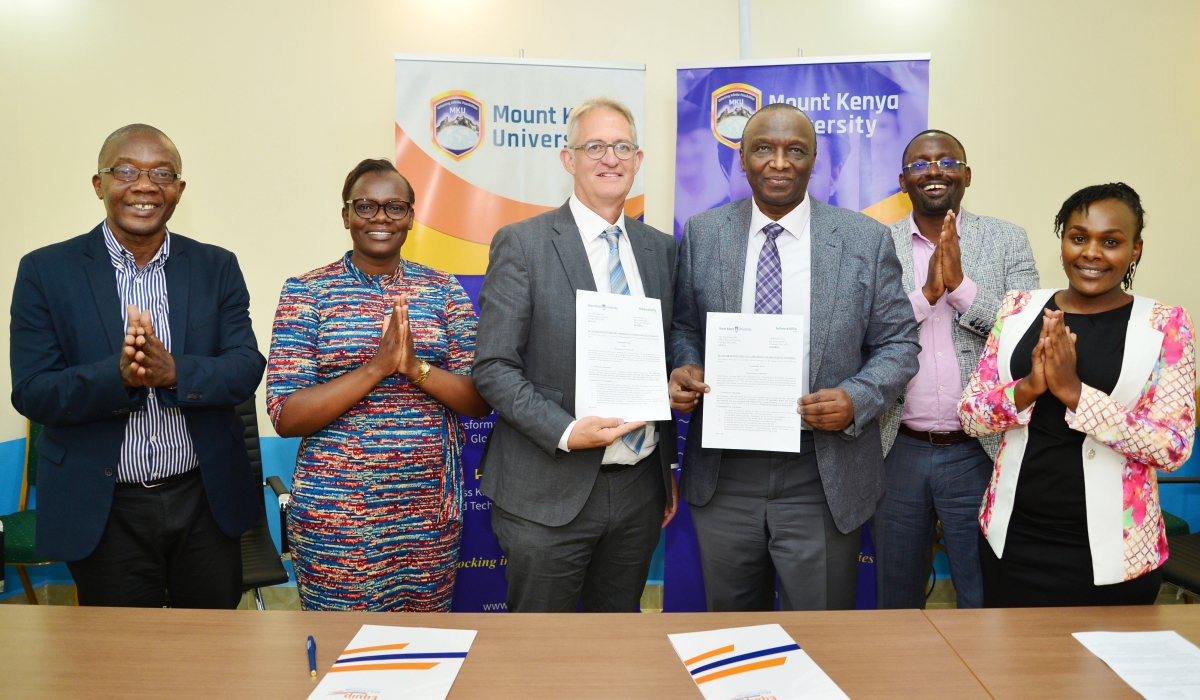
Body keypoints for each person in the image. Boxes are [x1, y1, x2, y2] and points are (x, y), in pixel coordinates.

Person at [668, 103, 920, 611]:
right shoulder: (703, 233)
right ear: (742, 158)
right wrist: (686, 364)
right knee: (734, 636)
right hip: (725, 471)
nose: (779, 162)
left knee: (821, 635)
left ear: (814, 160)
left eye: (795, 151)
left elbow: (899, 344)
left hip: (822, 472)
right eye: (763, 148)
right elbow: (685, 326)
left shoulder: (863, 240)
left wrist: (856, 397)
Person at [9, 124, 265, 608]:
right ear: (99, 184)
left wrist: (175, 372)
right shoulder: (45, 272)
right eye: (126, 171)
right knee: (121, 664)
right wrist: (118, 377)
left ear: (179, 190)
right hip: (103, 508)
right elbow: (33, 391)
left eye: (161, 173)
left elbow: (245, 366)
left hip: (205, 500)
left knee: (210, 656)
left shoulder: (217, 266)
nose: (145, 185)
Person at [473, 97, 678, 613]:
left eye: (622, 147)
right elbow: (493, 367)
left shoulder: (661, 250)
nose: (610, 158)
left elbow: (670, 347)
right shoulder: (523, 244)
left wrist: (681, 379)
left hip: (638, 487)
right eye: (595, 147)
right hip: (547, 491)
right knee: (542, 659)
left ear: (638, 159)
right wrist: (566, 432)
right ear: (569, 159)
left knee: (616, 647)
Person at [266, 159, 488, 611]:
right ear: (346, 215)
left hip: (427, 513)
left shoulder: (444, 290)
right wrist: (376, 368)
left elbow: (479, 399)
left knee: (422, 652)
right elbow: (286, 414)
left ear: (411, 216)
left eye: (394, 207)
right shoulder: (307, 292)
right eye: (365, 206)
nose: (380, 218)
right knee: (343, 659)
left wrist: (414, 369)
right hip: (338, 516)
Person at [959, 183, 1195, 607]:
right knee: (1011, 671)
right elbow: (971, 415)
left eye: (1111, 242)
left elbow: (1173, 447)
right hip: (1012, 540)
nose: (1091, 252)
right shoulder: (1018, 310)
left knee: (1104, 674)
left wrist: (1075, 394)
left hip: (1117, 555)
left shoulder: (1166, 325)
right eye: (1079, 237)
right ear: (1063, 239)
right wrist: (1030, 387)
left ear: (1135, 249)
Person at [873, 130, 1040, 610]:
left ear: (966, 175)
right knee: (897, 594)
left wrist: (962, 287)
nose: (934, 170)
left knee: (982, 592)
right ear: (902, 180)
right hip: (896, 449)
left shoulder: (1007, 240)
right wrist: (925, 297)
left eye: (947, 161)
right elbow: (865, 334)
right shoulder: (875, 244)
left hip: (979, 452)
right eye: (920, 163)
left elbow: (1025, 336)